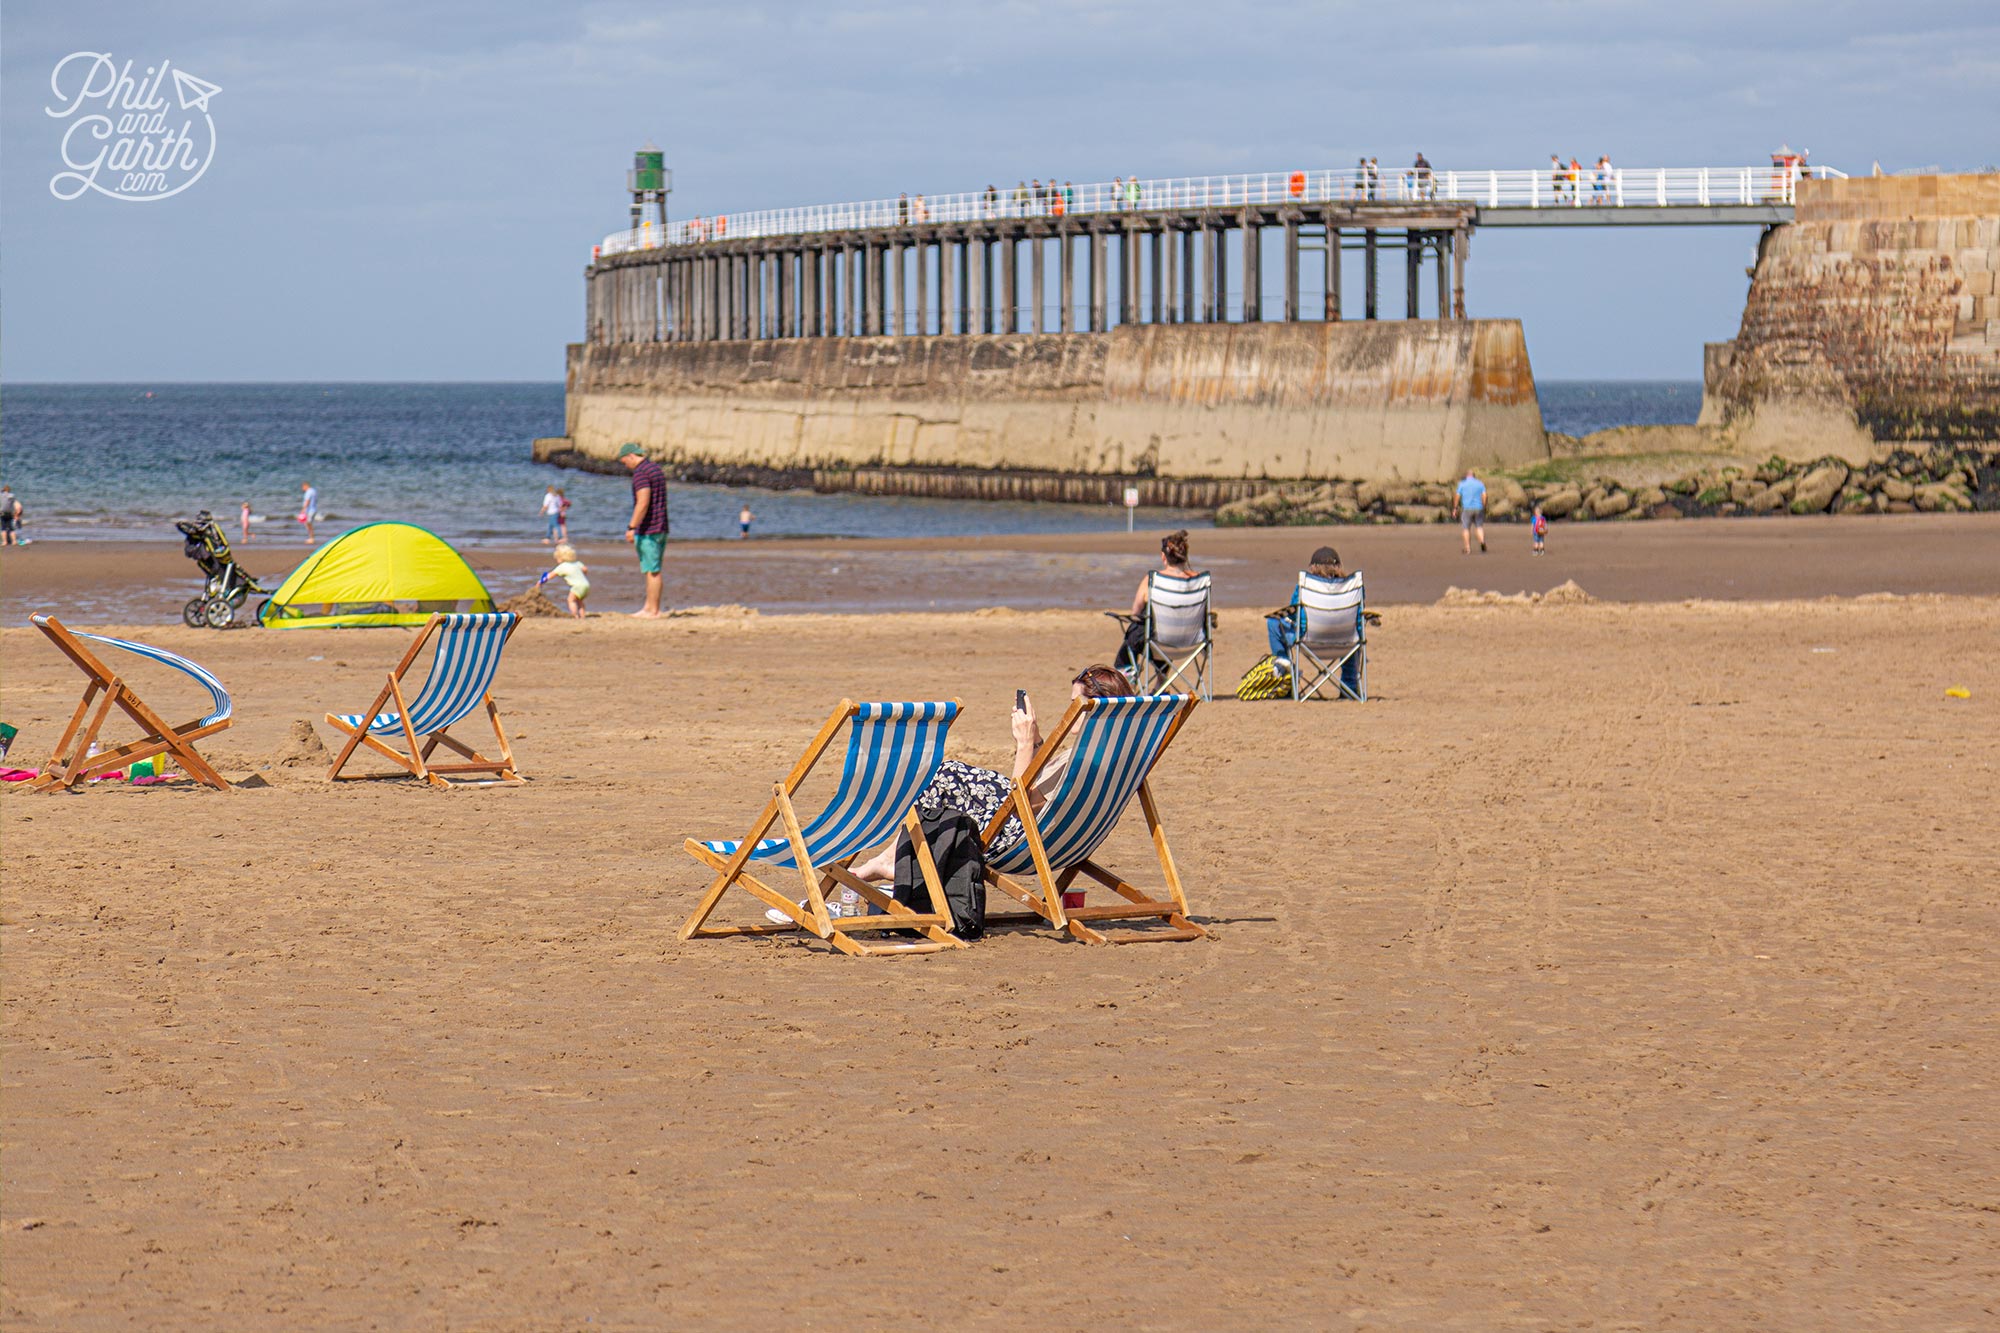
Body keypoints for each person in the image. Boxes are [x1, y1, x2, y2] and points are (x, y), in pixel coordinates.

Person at [826, 664, 1137, 915]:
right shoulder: (1118, 754)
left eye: (1077, 704)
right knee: (950, 776)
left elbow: (1022, 803)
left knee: (946, 773)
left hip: (1021, 837)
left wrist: (1025, 744)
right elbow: (1039, 795)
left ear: (1097, 707)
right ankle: (885, 863)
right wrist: (1039, 741)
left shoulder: (1085, 761)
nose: (1071, 711)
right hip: (1067, 842)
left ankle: (889, 864)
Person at [1114, 529, 1203, 677]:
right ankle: (1161, 682)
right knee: (1164, 625)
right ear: (1185, 556)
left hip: (1158, 643)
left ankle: (1126, 676)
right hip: (1191, 642)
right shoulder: (1199, 580)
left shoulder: (1153, 579)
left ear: (1164, 556)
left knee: (1143, 629)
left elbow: (1135, 612)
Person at [616, 442, 668, 617]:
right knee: (650, 568)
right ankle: (648, 606)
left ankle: (653, 610)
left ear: (631, 456)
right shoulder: (655, 469)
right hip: (661, 526)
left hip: (650, 528)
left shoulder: (641, 473)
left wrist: (632, 527)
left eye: (625, 462)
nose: (626, 466)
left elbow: (643, 502)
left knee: (652, 570)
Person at [540, 543, 590, 619]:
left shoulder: (562, 567)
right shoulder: (577, 563)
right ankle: (582, 616)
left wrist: (541, 582)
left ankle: (575, 615)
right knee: (580, 602)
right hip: (586, 585)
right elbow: (585, 569)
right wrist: (583, 574)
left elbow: (550, 576)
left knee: (571, 600)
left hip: (577, 586)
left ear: (561, 558)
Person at [1454, 469, 1488, 554]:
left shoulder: (1462, 484)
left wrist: (1455, 507)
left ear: (1466, 476)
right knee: (1479, 527)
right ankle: (1482, 542)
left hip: (1467, 508)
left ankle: (1468, 548)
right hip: (1479, 508)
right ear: (1474, 476)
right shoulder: (1480, 483)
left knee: (1466, 528)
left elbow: (1457, 496)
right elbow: (1484, 496)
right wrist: (1484, 506)